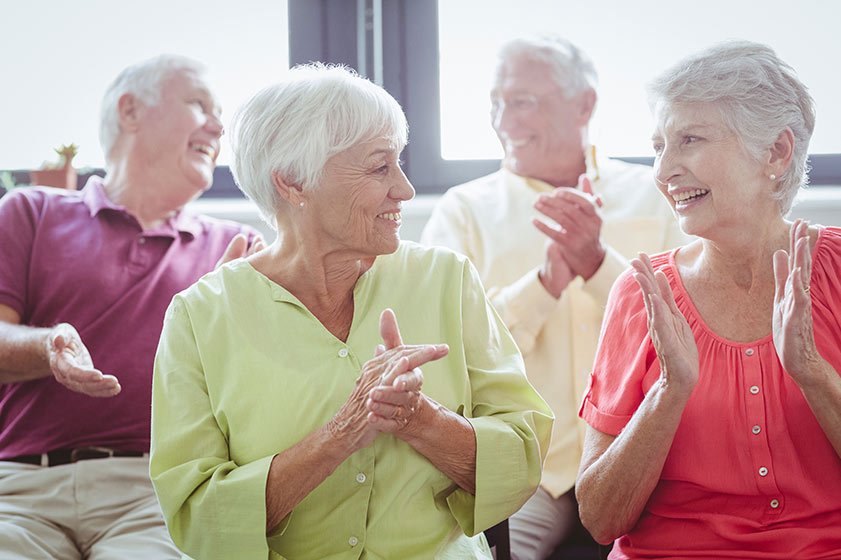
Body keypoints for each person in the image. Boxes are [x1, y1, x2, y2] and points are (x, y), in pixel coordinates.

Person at [149, 63, 554, 560]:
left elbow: (523, 457)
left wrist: (421, 420)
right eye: (379, 167)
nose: (404, 189)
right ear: (294, 183)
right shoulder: (199, 317)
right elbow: (197, 519)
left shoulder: (446, 280)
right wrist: (341, 434)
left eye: (400, 164)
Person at [420, 36, 688, 558]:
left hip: (642, 464)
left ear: (585, 104)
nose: (504, 120)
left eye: (522, 101)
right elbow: (446, 349)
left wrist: (597, 264)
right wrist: (543, 286)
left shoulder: (658, 196)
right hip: (521, 473)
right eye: (496, 103)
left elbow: (690, 324)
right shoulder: (463, 212)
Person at [576, 41, 841, 558]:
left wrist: (810, 369)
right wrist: (669, 392)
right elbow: (601, 519)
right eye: (659, 146)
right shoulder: (641, 294)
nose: (663, 170)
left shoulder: (837, 272)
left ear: (776, 152)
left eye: (689, 139)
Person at [0, 54, 262, 558]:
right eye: (198, 103)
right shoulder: (31, 211)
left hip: (155, 493)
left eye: (219, 111)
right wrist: (48, 346)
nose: (218, 124)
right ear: (130, 111)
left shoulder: (238, 248)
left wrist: (228, 323)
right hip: (20, 488)